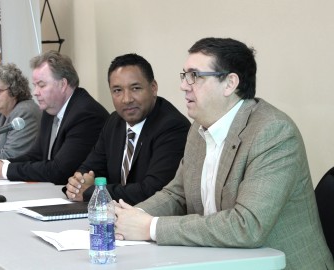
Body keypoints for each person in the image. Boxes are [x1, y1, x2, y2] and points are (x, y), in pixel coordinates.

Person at [114, 38, 334, 269]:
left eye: (195, 76)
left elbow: (247, 226)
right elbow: (177, 195)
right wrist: (128, 216)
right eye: (184, 75)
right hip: (222, 260)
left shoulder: (273, 132)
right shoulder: (198, 129)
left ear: (229, 83)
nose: (184, 85)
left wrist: (151, 227)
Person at [64, 53, 190, 205]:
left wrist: (91, 191)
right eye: (117, 90)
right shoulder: (114, 121)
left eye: (135, 88)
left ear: (153, 88)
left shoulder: (172, 127)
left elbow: (153, 191)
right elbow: (90, 168)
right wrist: (78, 184)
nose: (127, 99)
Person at [0, 51, 109, 184]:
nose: (35, 92)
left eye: (41, 85)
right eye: (35, 85)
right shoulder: (51, 109)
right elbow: (36, 155)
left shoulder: (85, 115)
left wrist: (3, 170)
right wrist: (3, 163)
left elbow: (60, 170)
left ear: (63, 84)